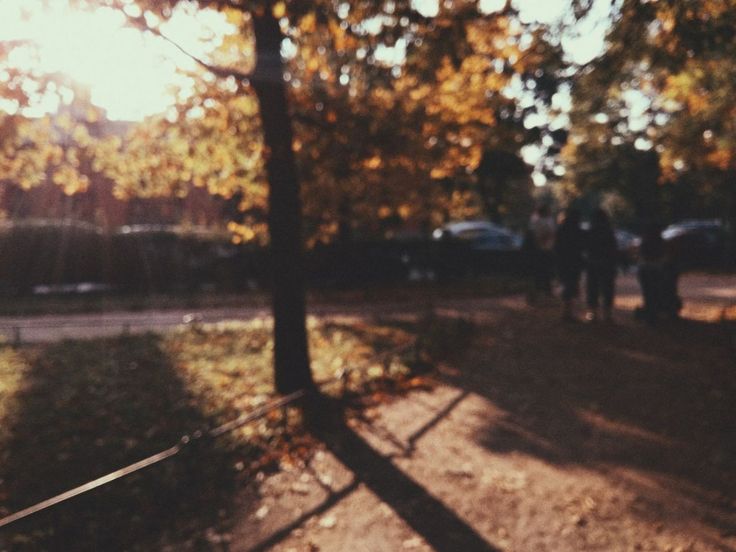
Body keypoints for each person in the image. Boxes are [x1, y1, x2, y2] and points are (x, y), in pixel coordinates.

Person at [636, 222, 682, 323]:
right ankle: (658, 313)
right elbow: (665, 258)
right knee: (658, 292)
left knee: (649, 294)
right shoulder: (660, 243)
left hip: (647, 271)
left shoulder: (645, 242)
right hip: (657, 270)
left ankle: (651, 314)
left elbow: (642, 259)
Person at [585, 208, 618, 322]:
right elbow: (613, 248)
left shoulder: (591, 230)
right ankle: (607, 314)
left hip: (593, 262)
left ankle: (592, 313)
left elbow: (587, 247)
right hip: (607, 263)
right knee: (607, 288)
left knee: (592, 288)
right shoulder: (609, 230)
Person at [555, 208, 585, 321]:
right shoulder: (578, 231)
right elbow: (582, 247)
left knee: (566, 285)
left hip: (563, 261)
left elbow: (557, 247)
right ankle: (569, 312)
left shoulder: (561, 230)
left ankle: (566, 311)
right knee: (572, 285)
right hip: (574, 262)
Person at [525, 204, 556, 301]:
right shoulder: (543, 221)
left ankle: (540, 291)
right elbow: (547, 234)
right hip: (543, 249)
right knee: (544, 271)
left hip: (540, 249)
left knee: (540, 272)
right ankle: (543, 291)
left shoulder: (535, 221)